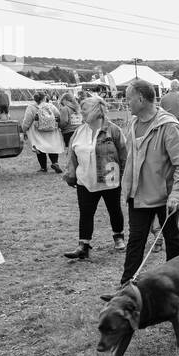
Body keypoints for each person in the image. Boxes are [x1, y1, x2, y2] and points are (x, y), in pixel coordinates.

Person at [119, 79, 179, 285]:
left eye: (129, 99)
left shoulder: (168, 126)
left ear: (141, 99)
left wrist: (176, 194)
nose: (127, 103)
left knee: (172, 238)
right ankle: (126, 286)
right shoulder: (132, 124)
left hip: (165, 196)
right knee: (136, 241)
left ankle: (177, 283)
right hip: (138, 195)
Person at [62, 94, 127, 260]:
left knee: (114, 209)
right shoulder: (78, 132)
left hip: (110, 179)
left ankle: (118, 236)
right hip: (85, 180)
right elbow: (72, 156)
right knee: (85, 212)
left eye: (85, 109)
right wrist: (71, 175)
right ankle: (83, 245)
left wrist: (126, 175)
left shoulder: (113, 130)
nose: (81, 112)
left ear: (97, 111)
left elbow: (124, 154)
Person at [20, 91, 65, 173]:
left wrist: (24, 130)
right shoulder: (51, 106)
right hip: (51, 130)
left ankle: (43, 167)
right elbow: (58, 115)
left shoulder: (31, 107)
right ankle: (55, 163)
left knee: (39, 147)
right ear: (45, 98)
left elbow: (27, 120)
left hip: (38, 131)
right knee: (52, 147)